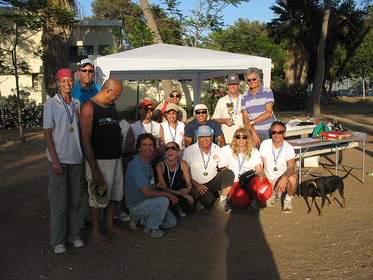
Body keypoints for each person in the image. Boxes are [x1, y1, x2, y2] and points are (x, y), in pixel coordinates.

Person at [80, 77, 128, 245]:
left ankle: (108, 224)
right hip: (100, 161)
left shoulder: (112, 106)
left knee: (115, 194)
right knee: (97, 197)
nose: (118, 98)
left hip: (115, 158)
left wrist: (120, 158)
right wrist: (94, 169)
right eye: (117, 94)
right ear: (108, 91)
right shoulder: (89, 107)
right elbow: (85, 141)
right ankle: (95, 231)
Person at [43, 68, 84, 254]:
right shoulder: (51, 104)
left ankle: (74, 235)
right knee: (59, 202)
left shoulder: (76, 103)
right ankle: (58, 240)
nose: (67, 83)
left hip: (76, 159)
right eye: (64, 81)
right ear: (58, 83)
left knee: (75, 201)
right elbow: (47, 133)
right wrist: (55, 160)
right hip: (59, 160)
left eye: (70, 80)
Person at [125, 134, 178, 238]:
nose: (148, 148)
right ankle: (151, 227)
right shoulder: (138, 166)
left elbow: (148, 187)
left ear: (154, 148)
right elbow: (147, 192)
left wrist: (157, 187)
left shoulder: (147, 162)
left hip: (147, 201)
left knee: (172, 222)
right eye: (144, 145)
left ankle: (143, 219)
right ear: (139, 148)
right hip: (137, 204)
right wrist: (168, 194)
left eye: (150, 145)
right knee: (164, 201)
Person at [182, 125, 234, 213]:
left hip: (213, 180)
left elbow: (224, 166)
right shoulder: (189, 151)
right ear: (197, 137)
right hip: (198, 183)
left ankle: (223, 200)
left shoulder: (217, 149)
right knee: (209, 201)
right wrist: (195, 184)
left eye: (207, 136)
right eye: (202, 137)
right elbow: (183, 173)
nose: (205, 139)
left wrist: (223, 180)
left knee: (229, 173)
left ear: (212, 137)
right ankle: (203, 198)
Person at [222, 128, 267, 215]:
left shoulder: (254, 151)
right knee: (241, 202)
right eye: (238, 137)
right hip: (235, 181)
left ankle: (253, 202)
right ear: (235, 138)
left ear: (248, 139)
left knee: (261, 183)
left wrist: (261, 174)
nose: (241, 139)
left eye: (244, 137)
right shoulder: (227, 149)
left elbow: (258, 168)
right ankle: (241, 199)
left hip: (249, 179)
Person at [259, 121, 298, 213]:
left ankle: (288, 199)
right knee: (262, 201)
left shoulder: (289, 148)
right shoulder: (265, 144)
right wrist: (264, 179)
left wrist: (284, 177)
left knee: (292, 179)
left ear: (284, 133)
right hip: (268, 178)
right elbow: (260, 164)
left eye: (279, 132)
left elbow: (292, 167)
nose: (276, 135)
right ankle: (271, 193)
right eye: (274, 132)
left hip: (281, 177)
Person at [155, 142, 198, 216]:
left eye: (173, 148)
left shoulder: (183, 164)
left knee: (194, 194)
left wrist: (188, 188)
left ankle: (178, 207)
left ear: (178, 152)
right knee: (169, 202)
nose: (169, 151)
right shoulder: (160, 166)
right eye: (167, 149)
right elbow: (163, 188)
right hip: (166, 193)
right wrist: (182, 194)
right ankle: (174, 209)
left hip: (178, 190)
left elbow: (188, 182)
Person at [241, 67, 274, 147]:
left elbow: (268, 113)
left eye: (254, 79)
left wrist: (252, 122)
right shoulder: (244, 96)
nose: (252, 82)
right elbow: (245, 118)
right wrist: (253, 132)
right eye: (249, 80)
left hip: (267, 132)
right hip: (253, 133)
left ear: (259, 79)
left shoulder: (267, 91)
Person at [212, 74, 244, 145]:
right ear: (227, 86)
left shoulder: (244, 99)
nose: (233, 86)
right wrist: (224, 121)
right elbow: (215, 119)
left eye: (235, 84)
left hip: (242, 139)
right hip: (227, 139)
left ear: (239, 85)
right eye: (230, 84)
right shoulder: (222, 101)